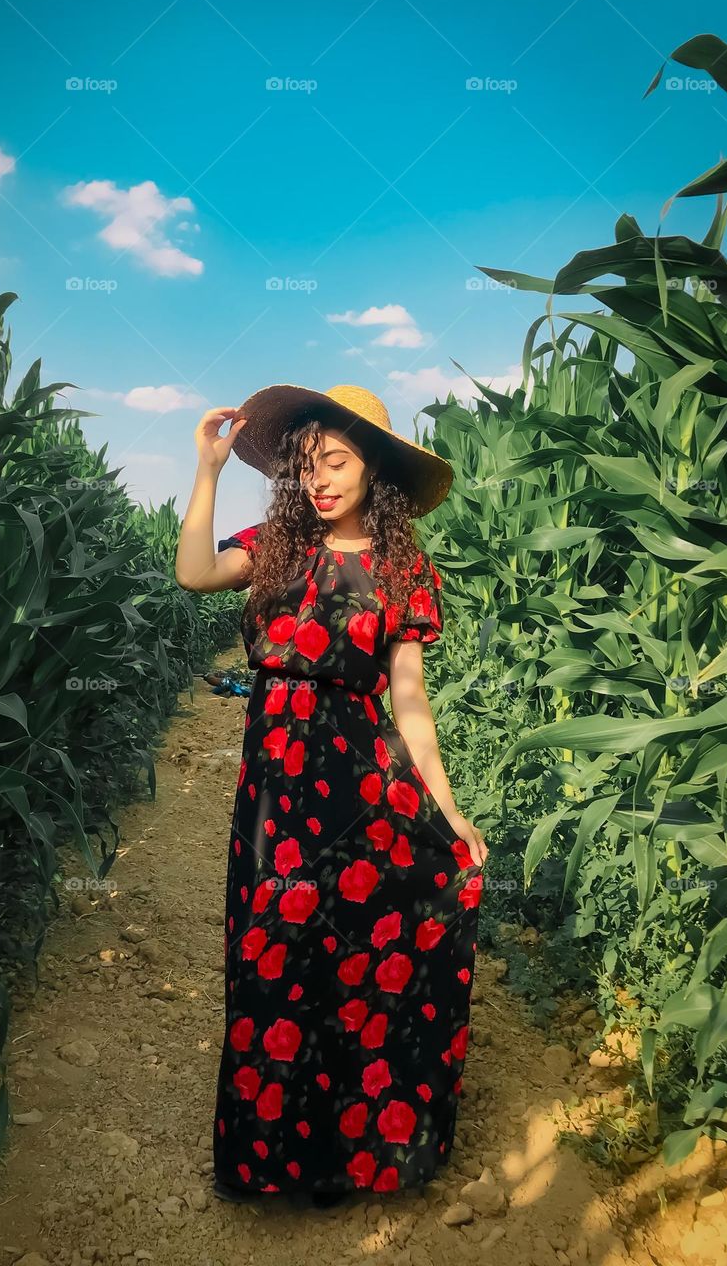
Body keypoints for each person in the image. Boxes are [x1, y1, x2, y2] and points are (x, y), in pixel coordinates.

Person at [174, 383, 488, 1211]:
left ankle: (361, 1154)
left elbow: (410, 702)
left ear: (373, 467)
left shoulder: (402, 568)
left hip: (360, 779)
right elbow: (195, 572)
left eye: (337, 462)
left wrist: (448, 812)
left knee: (355, 953)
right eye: (307, 464)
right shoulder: (276, 544)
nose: (320, 478)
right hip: (277, 778)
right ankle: (274, 1160)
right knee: (273, 948)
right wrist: (206, 471)